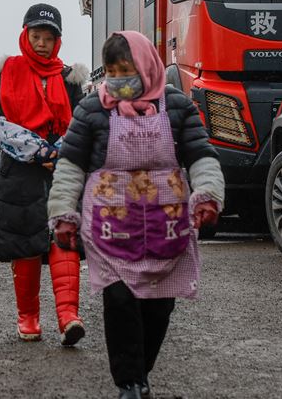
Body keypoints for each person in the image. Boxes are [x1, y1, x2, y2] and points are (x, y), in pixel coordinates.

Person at [48, 31, 224, 398]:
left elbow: (200, 154)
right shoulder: (91, 109)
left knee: (158, 307)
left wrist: (208, 195)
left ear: (146, 66)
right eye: (111, 70)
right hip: (109, 227)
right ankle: (129, 382)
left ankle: (140, 371)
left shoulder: (176, 105)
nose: (117, 78)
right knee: (120, 301)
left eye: (125, 69)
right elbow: (70, 165)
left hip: (167, 225)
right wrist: (64, 213)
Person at [0, 3, 88, 346]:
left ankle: (68, 315)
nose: (42, 43)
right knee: (25, 243)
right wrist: (37, 150)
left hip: (63, 172)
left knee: (65, 237)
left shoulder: (70, 77)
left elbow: (82, 121)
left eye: (48, 37)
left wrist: (60, 151)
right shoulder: (9, 72)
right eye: (36, 35)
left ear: (58, 40)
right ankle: (28, 317)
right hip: (20, 172)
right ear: (25, 35)